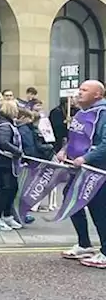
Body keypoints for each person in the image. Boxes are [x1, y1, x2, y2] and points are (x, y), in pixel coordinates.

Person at [60, 81, 106, 265]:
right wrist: (64, 150)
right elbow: (76, 138)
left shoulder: (103, 113)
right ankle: (84, 244)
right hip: (79, 170)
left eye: (84, 90)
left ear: (98, 94)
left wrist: (86, 158)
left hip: (97, 170)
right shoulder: (81, 113)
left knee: (99, 209)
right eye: (79, 89)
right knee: (70, 199)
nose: (79, 92)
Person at [0, 98, 25, 231]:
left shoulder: (4, 123)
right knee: (5, 189)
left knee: (12, 188)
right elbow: (4, 142)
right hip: (4, 161)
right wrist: (18, 151)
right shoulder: (4, 125)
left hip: (8, 161)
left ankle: (7, 216)